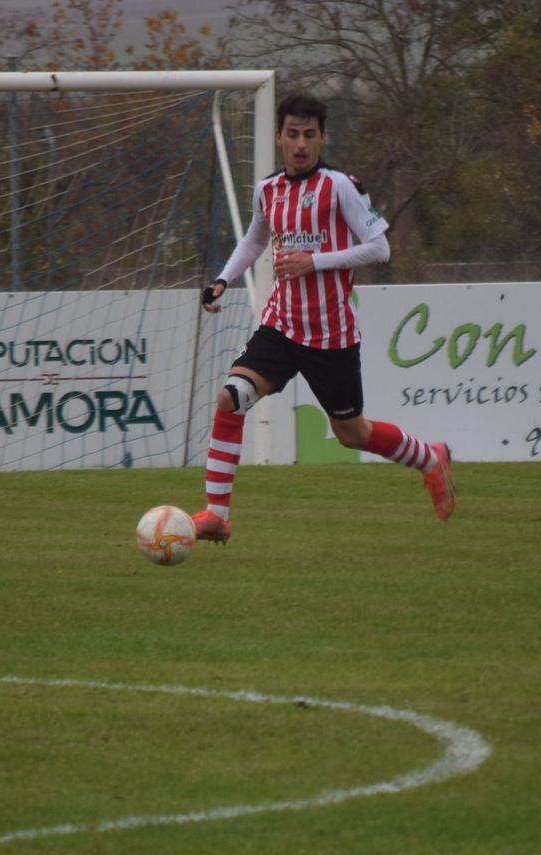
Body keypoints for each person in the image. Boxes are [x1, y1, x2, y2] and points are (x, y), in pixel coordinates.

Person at [193, 93, 451, 542]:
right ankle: (217, 515)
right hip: (281, 326)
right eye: (292, 134)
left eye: (309, 135)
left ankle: (430, 458)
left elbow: (380, 247)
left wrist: (317, 261)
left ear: (322, 138)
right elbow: (255, 241)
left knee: (352, 433)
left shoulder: (339, 186)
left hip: (332, 335)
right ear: (278, 137)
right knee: (231, 397)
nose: (300, 144)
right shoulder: (267, 190)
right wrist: (223, 278)